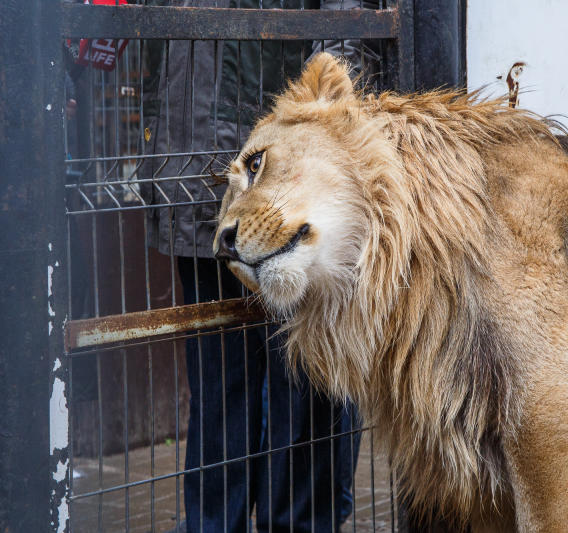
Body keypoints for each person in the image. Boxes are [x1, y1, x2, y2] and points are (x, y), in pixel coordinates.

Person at [140, 1, 377, 531]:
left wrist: (313, 131)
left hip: (281, 190)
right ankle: (212, 524)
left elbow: (346, 38)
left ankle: (300, 523)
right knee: (218, 393)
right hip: (191, 185)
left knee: (305, 395)